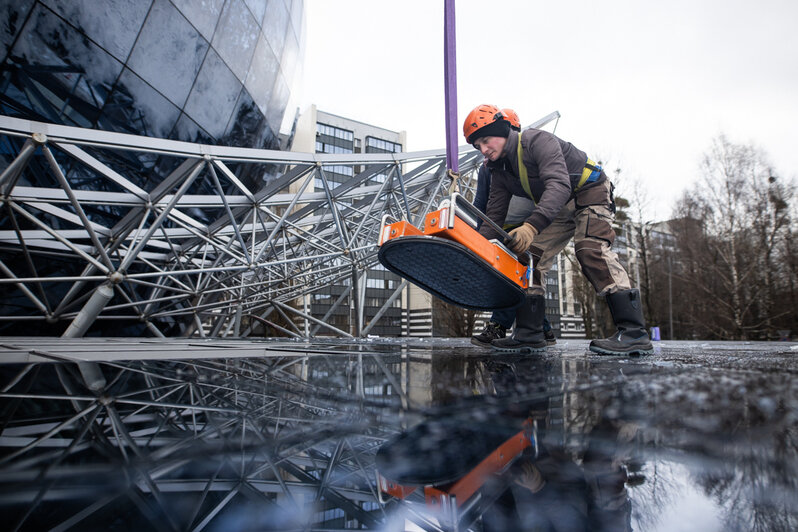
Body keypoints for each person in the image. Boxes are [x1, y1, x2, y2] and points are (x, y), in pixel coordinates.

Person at [463, 103, 653, 355]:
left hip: (589, 192)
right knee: (527, 258)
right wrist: (480, 251)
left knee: (591, 250)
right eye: (478, 146)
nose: (484, 150)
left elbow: (559, 184)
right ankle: (529, 334)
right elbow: (494, 215)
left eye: (486, 141)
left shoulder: (537, 141)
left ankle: (633, 333)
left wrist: (531, 226)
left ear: (503, 131)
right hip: (560, 205)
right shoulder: (498, 170)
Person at [471, 108, 556, 348]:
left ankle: (502, 326)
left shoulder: (528, 156)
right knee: (513, 280)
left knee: (519, 279)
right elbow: (482, 202)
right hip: (500, 228)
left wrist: (535, 227)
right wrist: (481, 238)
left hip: (527, 227)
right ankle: (543, 329)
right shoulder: (489, 168)